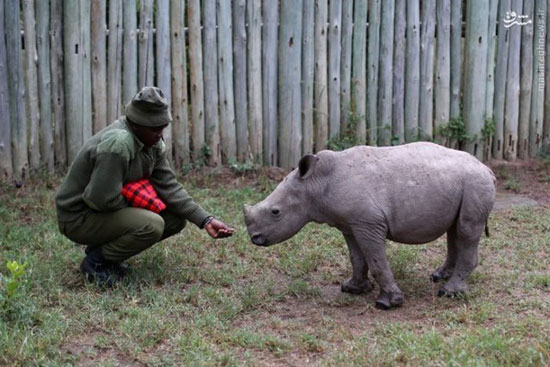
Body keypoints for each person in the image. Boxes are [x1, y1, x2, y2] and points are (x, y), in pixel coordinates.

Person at [55, 86, 234, 286]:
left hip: (100, 210)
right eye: (155, 128)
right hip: (78, 217)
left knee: (174, 218)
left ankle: (105, 251)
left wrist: (205, 219)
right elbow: (99, 199)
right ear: (137, 124)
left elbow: (169, 187)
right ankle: (96, 263)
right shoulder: (119, 144)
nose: (160, 134)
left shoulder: (152, 144)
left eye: (162, 127)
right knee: (151, 224)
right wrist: (138, 208)